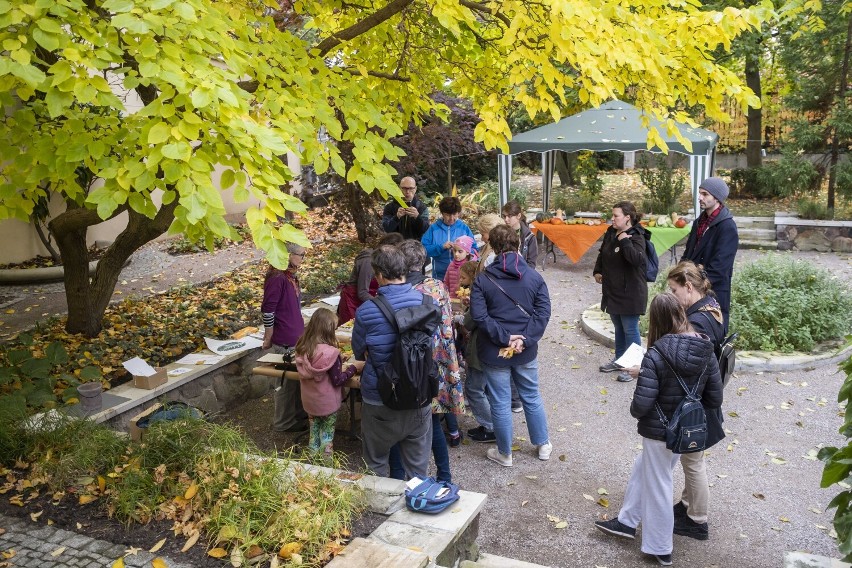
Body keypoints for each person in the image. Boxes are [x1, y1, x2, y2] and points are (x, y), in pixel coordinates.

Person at [594, 293, 723, 567]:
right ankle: (627, 521)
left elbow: (640, 406)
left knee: (659, 484)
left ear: (657, 321)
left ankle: (660, 547)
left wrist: (646, 377)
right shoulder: (705, 349)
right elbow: (715, 399)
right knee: (645, 469)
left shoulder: (656, 352)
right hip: (686, 429)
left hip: (659, 430)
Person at [471, 224, 552, 467]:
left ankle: (505, 453)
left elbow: (479, 316)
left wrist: (506, 338)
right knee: (531, 395)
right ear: (517, 244)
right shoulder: (534, 277)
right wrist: (524, 338)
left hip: (494, 350)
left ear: (493, 247)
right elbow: (543, 313)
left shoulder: (483, 280)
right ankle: (543, 444)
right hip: (526, 349)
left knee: (499, 401)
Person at [352, 245, 436, 478]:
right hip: (419, 393)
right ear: (405, 269)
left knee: (376, 463)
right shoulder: (429, 303)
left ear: (378, 275)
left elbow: (359, 352)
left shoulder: (366, 311)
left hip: (380, 396)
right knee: (418, 469)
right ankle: (416, 507)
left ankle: (379, 510)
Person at [388, 240, 465, 482]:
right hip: (441, 360)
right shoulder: (437, 285)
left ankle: (399, 478)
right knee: (432, 419)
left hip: (418, 364)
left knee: (406, 424)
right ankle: (444, 475)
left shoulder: (407, 292)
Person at [666, 261, 726, 541]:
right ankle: (688, 505)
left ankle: (698, 520)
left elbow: (688, 363)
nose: (672, 295)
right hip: (704, 397)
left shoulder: (697, 322)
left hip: (696, 402)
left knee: (693, 460)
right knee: (694, 457)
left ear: (689, 287)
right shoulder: (711, 305)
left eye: (674, 289)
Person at [294, 308, 364, 457]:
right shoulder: (331, 353)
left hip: (310, 401)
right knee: (326, 436)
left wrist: (337, 363)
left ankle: (313, 462)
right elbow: (338, 379)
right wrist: (353, 368)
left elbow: (317, 365)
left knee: (314, 433)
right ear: (329, 330)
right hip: (327, 403)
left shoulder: (302, 347)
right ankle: (326, 467)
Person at [593, 201, 649, 383]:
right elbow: (603, 253)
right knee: (618, 327)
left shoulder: (638, 236)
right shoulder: (610, 231)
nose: (613, 218)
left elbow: (637, 260)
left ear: (627, 217)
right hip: (613, 290)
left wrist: (625, 241)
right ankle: (619, 360)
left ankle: (633, 366)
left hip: (630, 292)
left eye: (616, 215)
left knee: (630, 329)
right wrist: (598, 270)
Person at [681, 177, 739, 333]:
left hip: (714, 294)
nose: (700, 197)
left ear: (717, 198)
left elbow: (719, 269)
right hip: (693, 290)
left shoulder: (727, 226)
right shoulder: (700, 222)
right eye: (700, 193)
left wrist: (694, 282)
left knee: (709, 342)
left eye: (705, 194)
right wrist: (680, 277)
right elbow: (688, 255)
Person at [262, 242, 309, 434]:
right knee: (285, 384)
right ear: (288, 255)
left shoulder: (290, 276)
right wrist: (268, 336)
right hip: (284, 340)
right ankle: (283, 422)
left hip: (295, 337)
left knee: (297, 381)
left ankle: (297, 416)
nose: (303, 259)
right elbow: (268, 309)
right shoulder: (277, 277)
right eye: (301, 255)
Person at [337, 232, 404, 325]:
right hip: (352, 301)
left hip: (368, 301)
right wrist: (381, 304)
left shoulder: (381, 260)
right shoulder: (368, 262)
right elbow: (362, 292)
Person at [421, 196, 476, 281]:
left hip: (462, 277)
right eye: (448, 215)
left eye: (454, 214)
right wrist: (441, 247)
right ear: (442, 213)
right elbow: (423, 250)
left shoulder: (464, 228)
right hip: (440, 276)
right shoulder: (433, 228)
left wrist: (463, 251)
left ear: (458, 213)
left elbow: (474, 249)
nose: (451, 218)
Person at [501, 200, 538, 268]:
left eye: (509, 216)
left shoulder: (529, 237)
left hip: (522, 274)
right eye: (504, 216)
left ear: (518, 216)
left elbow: (531, 264)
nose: (506, 219)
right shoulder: (502, 233)